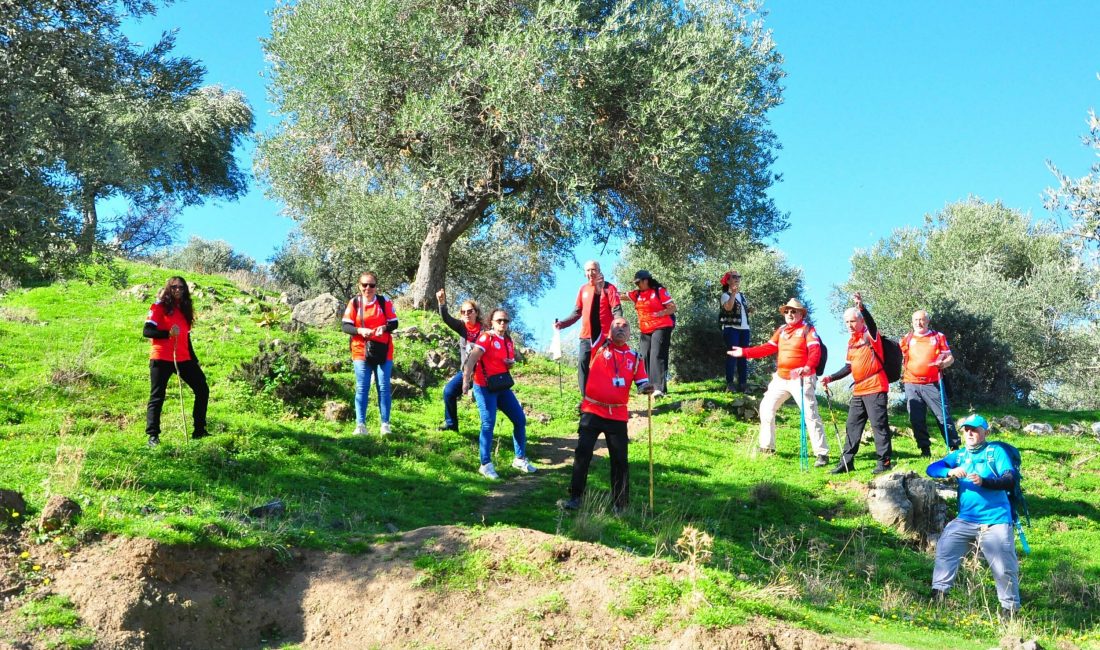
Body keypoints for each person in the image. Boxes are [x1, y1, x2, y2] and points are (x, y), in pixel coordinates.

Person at [927, 414, 1021, 620]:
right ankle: (938, 597)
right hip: (966, 519)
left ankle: (1010, 611)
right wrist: (949, 472)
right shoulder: (959, 456)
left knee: (1004, 567)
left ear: (985, 432)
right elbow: (931, 469)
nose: (969, 433)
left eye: (975, 430)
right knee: (946, 548)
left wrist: (984, 481)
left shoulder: (995, 452)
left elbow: (1009, 479)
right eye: (966, 429)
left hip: (996, 520)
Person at [559, 317, 654, 513]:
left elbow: (641, 384)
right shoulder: (599, 346)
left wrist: (646, 388)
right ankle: (575, 497)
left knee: (620, 461)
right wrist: (599, 297)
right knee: (583, 453)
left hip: (617, 415)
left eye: (625, 326)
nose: (620, 328)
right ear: (609, 330)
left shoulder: (635, 358)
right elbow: (593, 318)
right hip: (592, 411)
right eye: (616, 325)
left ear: (630, 333)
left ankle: (620, 504)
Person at [727, 298, 829, 466]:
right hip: (781, 377)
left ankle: (822, 453)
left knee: (810, 414)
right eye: (787, 311)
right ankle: (767, 447)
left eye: (793, 311)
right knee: (766, 407)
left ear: (801, 314)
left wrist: (807, 367)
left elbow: (815, 351)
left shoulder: (808, 329)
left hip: (802, 378)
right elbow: (768, 348)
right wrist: (744, 352)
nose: (789, 314)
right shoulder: (781, 330)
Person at [821, 292, 892, 474]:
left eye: (852, 321)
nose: (849, 325)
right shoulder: (851, 342)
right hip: (859, 390)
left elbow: (873, 325)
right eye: (846, 322)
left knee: (878, 425)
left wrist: (862, 307)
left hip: (875, 386)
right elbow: (848, 367)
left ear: (861, 321)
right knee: (852, 425)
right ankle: (846, 463)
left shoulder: (871, 336)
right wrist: (830, 378)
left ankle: (884, 462)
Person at [462, 309, 537, 479]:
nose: (502, 323)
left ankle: (519, 459)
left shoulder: (508, 341)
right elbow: (472, 359)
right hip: (484, 387)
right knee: (488, 423)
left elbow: (503, 361)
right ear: (492, 322)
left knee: (520, 420)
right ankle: (485, 464)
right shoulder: (486, 338)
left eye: (505, 321)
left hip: (502, 386)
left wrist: (509, 364)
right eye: (499, 320)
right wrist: (466, 380)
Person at [143, 276, 209, 447]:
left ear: (185, 289)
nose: (177, 290)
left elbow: (186, 337)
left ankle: (199, 431)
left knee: (202, 389)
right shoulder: (158, 306)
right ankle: (153, 436)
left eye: (181, 287)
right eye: (174, 287)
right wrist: (168, 334)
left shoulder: (185, 309)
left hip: (183, 358)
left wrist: (194, 359)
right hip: (161, 357)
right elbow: (147, 331)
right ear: (168, 289)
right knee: (157, 396)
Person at [341, 272, 398, 436]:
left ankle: (385, 425)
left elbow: (394, 322)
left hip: (383, 350)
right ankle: (360, 425)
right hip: (360, 349)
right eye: (364, 285)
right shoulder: (354, 302)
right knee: (362, 387)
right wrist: (360, 330)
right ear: (359, 286)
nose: (368, 288)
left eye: (371, 285)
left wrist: (384, 328)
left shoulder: (384, 301)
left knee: (384, 387)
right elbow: (345, 326)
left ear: (376, 287)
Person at [554, 260, 623, 394]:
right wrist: (562, 324)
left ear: (599, 271)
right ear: (585, 273)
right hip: (586, 336)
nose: (591, 273)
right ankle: (585, 398)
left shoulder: (609, 288)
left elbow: (617, 310)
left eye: (593, 270)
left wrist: (617, 330)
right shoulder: (583, 289)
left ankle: (608, 397)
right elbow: (577, 312)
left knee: (605, 366)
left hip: (604, 337)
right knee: (583, 364)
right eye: (588, 270)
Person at [902, 310, 959, 456]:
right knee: (916, 418)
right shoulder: (907, 339)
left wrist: (943, 364)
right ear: (912, 322)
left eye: (922, 320)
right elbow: (899, 357)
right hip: (911, 383)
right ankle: (925, 450)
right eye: (916, 320)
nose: (919, 323)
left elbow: (950, 358)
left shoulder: (938, 337)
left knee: (943, 416)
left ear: (927, 321)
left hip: (933, 382)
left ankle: (954, 447)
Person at [435, 288, 483, 433]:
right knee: (449, 391)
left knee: (487, 402)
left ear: (476, 312)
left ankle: (487, 431)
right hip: (466, 373)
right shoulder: (462, 327)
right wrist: (442, 303)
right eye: (463, 312)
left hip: (484, 373)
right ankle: (451, 424)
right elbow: (446, 318)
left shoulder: (485, 329)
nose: (466, 314)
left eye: (470, 311)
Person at [626, 270, 676, 397]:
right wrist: (604, 289)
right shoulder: (637, 294)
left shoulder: (659, 291)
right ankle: (648, 387)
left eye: (638, 282)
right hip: (645, 329)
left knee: (657, 354)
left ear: (646, 280)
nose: (637, 285)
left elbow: (673, 307)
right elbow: (620, 295)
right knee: (644, 355)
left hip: (661, 326)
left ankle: (659, 388)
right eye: (635, 283)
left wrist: (661, 313)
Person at [720, 270, 750, 392]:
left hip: (745, 329)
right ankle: (730, 383)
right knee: (732, 356)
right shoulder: (725, 295)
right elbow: (728, 307)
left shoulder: (742, 295)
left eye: (738, 276)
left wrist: (750, 310)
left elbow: (743, 311)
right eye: (734, 277)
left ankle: (743, 384)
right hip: (731, 329)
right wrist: (733, 293)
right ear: (728, 281)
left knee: (743, 356)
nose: (737, 278)